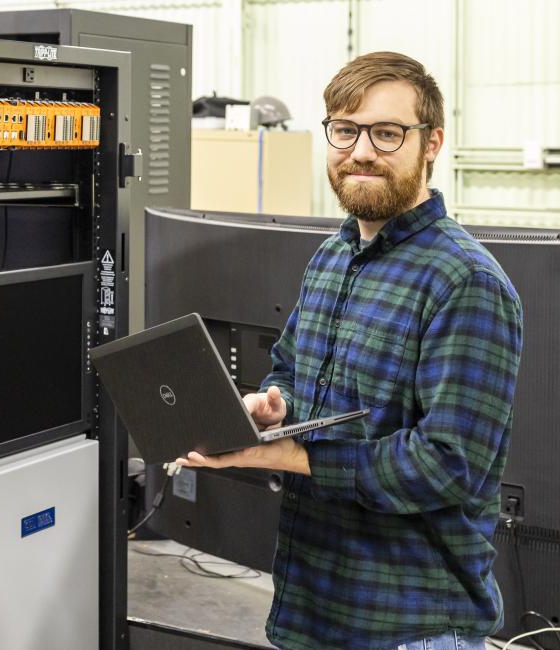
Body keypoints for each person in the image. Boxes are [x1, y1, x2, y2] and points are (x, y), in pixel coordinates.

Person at [176, 52, 523, 650]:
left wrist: (285, 458)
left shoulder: (466, 282)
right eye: (345, 129)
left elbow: (448, 465)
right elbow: (291, 367)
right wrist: (273, 406)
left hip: (409, 626)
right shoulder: (332, 258)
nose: (361, 150)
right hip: (310, 608)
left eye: (387, 133)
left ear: (431, 143)